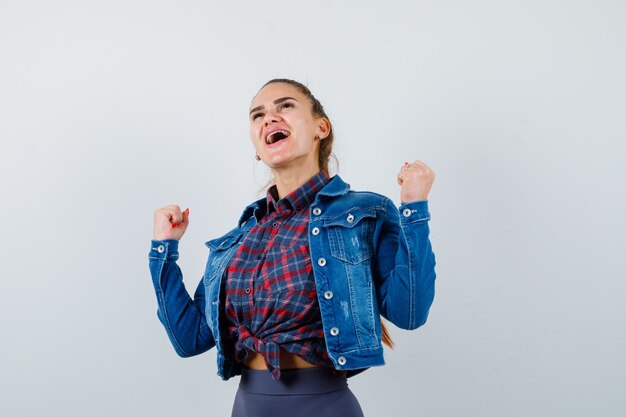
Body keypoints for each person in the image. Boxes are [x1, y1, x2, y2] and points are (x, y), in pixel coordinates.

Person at [148, 79, 437, 417]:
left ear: (321, 127)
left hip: (325, 406)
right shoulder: (238, 241)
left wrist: (414, 209)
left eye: (284, 106)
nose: (269, 118)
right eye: (258, 115)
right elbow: (189, 339)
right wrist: (163, 250)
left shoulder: (364, 213)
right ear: (257, 146)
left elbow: (410, 312)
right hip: (247, 407)